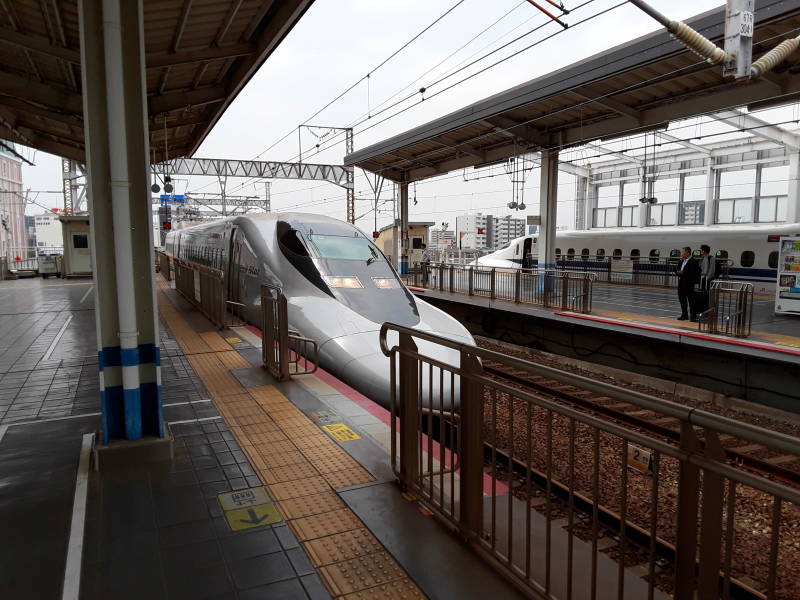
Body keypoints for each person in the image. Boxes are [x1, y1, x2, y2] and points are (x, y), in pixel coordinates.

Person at [675, 246, 700, 321]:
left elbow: (692, 272)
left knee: (691, 301)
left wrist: (683, 272)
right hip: (681, 283)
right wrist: (678, 272)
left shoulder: (694, 261)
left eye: (683, 252)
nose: (681, 253)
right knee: (682, 300)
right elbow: (676, 270)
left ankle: (693, 316)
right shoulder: (681, 261)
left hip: (689, 284)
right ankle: (684, 315)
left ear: (687, 253)